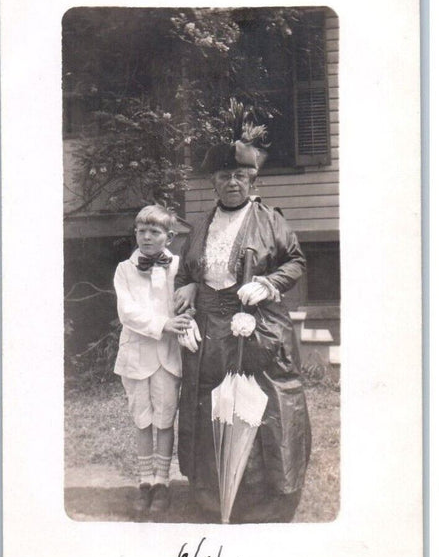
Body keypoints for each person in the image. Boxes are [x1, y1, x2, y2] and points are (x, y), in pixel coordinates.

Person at [174, 140, 311, 523]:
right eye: (224, 176)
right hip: (208, 332)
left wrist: (269, 284)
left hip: (259, 326)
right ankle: (212, 495)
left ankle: (266, 498)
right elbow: (187, 269)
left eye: (239, 175)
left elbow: (295, 260)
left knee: (261, 402)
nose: (232, 182)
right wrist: (186, 286)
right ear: (213, 183)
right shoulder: (201, 224)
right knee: (211, 403)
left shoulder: (270, 220)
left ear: (251, 179)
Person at [113, 204, 192, 515]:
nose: (146, 236)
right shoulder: (124, 269)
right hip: (136, 355)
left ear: (168, 237)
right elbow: (127, 311)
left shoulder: (178, 267)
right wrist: (162, 325)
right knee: (142, 420)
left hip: (168, 356)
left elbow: (185, 300)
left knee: (164, 419)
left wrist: (187, 311)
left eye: (154, 231)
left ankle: (163, 482)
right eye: (141, 231)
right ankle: (144, 481)